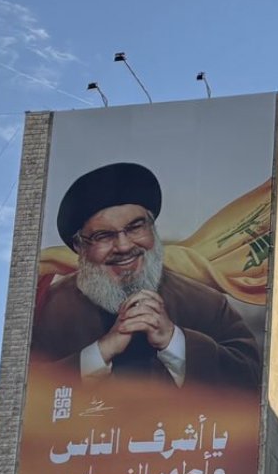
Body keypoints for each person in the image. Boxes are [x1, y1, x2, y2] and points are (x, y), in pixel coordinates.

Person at [32, 162, 262, 389]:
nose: (123, 246)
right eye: (103, 236)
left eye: (135, 228)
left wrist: (173, 340)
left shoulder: (206, 303)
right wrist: (99, 353)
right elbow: (28, 395)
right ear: (80, 246)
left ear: (152, 230)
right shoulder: (47, 311)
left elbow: (251, 382)